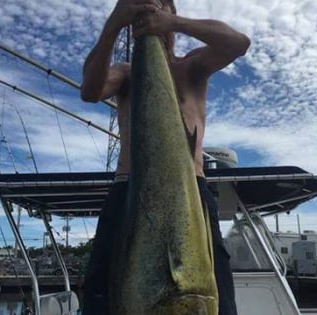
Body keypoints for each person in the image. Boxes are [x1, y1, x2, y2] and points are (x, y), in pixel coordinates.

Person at [80, 0, 250, 314]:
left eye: (159, 8)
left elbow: (238, 43)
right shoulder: (126, 74)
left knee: (220, 297)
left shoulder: (192, 67)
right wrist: (115, 21)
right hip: (129, 192)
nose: (151, 16)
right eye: (144, 11)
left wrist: (172, 22)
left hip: (190, 194)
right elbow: (90, 91)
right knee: (100, 294)